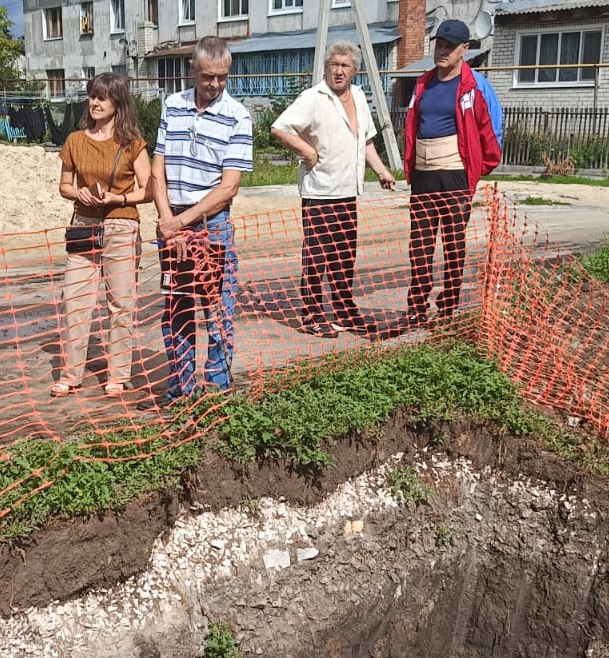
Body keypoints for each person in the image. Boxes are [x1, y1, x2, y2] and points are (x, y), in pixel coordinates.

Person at [147, 38, 252, 401]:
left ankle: (218, 386)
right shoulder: (172, 106)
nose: (215, 85)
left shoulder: (238, 116)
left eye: (222, 77)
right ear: (193, 70)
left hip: (211, 226)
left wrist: (182, 223)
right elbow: (157, 168)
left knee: (218, 308)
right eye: (208, 76)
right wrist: (166, 218)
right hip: (171, 222)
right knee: (177, 308)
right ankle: (181, 387)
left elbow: (228, 188)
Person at [271, 42, 397, 338]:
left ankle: (344, 312)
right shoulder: (313, 98)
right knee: (316, 259)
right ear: (326, 67)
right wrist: (308, 152)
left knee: (343, 258)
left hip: (347, 193)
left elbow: (365, 140)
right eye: (334, 65)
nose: (339, 71)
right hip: (320, 192)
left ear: (355, 70)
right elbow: (280, 128)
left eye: (345, 65)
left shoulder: (359, 96)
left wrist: (380, 170)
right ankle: (312, 315)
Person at [52, 72, 151, 398]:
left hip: (122, 226)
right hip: (83, 225)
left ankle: (118, 376)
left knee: (120, 304)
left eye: (103, 98)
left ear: (118, 104)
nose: (95, 103)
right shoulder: (75, 141)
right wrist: (77, 193)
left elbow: (148, 189)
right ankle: (71, 374)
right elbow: (65, 185)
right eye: (93, 96)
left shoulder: (132, 144)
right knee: (75, 302)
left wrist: (117, 198)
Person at [402, 19, 502, 328]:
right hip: (424, 175)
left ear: (465, 50)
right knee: (419, 246)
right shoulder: (423, 84)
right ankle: (416, 308)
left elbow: (489, 134)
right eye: (439, 45)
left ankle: (447, 308)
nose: (442, 51)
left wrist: (472, 171)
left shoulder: (474, 86)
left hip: (455, 176)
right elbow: (412, 126)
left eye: (449, 46)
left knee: (453, 246)